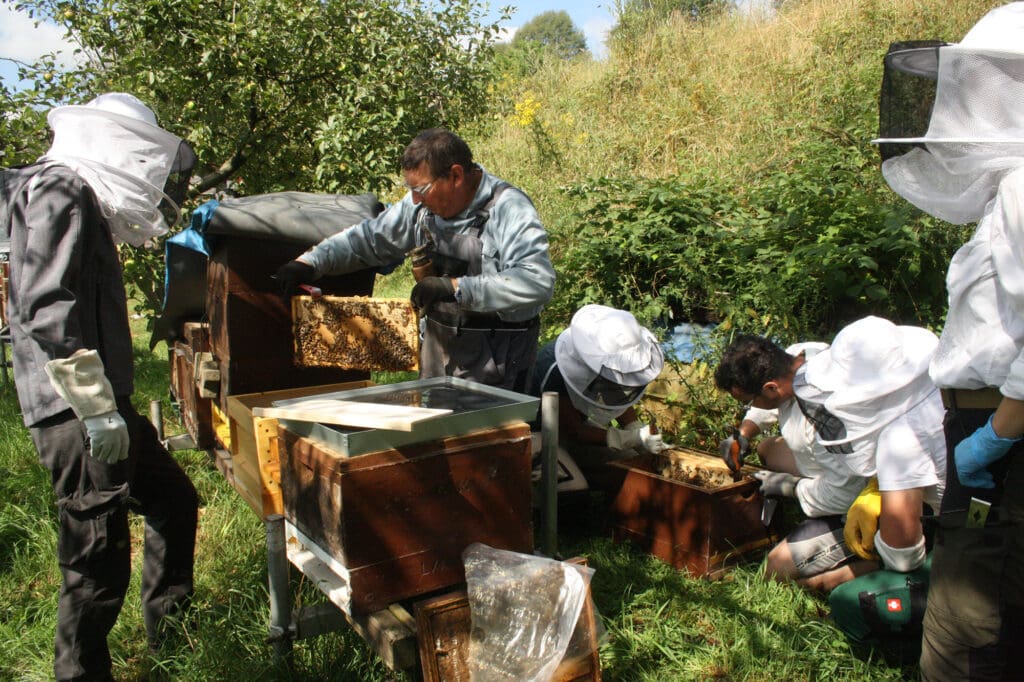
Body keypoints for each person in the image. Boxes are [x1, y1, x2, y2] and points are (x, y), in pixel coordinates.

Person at [1, 93, 199, 681]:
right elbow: (43, 303)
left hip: (100, 404)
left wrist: (106, 405)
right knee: (95, 561)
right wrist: (92, 407)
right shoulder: (63, 191)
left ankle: (174, 639)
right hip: (74, 411)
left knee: (172, 499)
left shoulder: (63, 191)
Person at [873, 4, 1024, 678]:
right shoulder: (1009, 190)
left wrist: (1000, 431)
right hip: (990, 429)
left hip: (1004, 440)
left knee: (965, 637)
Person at [275, 128, 555, 393]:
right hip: (439, 355)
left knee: (489, 443)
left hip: (500, 365)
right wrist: (311, 262)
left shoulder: (509, 209)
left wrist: (456, 287)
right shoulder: (421, 205)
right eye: (411, 190)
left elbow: (537, 281)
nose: (415, 200)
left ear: (456, 176)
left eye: (422, 189)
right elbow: (370, 238)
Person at [714, 333, 872, 591]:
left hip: (865, 496)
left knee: (776, 570)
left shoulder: (824, 416)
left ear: (771, 388)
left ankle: (877, 562)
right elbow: (765, 408)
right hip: (834, 470)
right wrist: (744, 433)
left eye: (748, 400)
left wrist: (791, 487)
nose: (750, 406)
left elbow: (846, 493)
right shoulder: (797, 358)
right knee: (768, 449)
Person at [530, 304, 666, 494]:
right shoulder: (555, 368)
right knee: (574, 489)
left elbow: (617, 396)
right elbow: (573, 431)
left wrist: (634, 428)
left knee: (632, 463)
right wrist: (629, 438)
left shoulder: (606, 361)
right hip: (539, 435)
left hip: (574, 430)